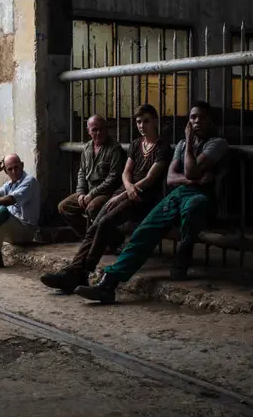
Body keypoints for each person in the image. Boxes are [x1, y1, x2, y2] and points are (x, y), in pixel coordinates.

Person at [75, 102, 229, 303]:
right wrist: (195, 177)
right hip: (179, 192)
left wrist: (190, 146)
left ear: (210, 120)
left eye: (201, 117)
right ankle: (109, 282)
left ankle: (184, 252)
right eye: (192, 118)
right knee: (144, 229)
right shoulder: (181, 144)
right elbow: (172, 178)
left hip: (202, 196)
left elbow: (189, 170)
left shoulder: (217, 143)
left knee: (193, 206)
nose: (196, 121)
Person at [40, 104, 172, 294]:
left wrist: (126, 192)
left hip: (143, 197)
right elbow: (126, 173)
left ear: (155, 121)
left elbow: (150, 179)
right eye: (138, 121)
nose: (141, 125)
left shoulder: (162, 147)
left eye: (146, 121)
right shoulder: (136, 144)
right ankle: (73, 270)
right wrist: (124, 189)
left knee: (105, 222)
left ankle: (83, 272)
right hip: (126, 191)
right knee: (95, 225)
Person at [57, 115, 126, 237]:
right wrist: (80, 193)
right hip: (88, 191)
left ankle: (114, 239)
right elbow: (82, 172)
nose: (99, 133)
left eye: (102, 129)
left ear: (106, 129)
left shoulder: (115, 149)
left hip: (107, 192)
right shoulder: (87, 147)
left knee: (92, 208)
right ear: (88, 131)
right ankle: (90, 237)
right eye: (94, 129)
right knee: (64, 207)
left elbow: (113, 178)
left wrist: (91, 195)